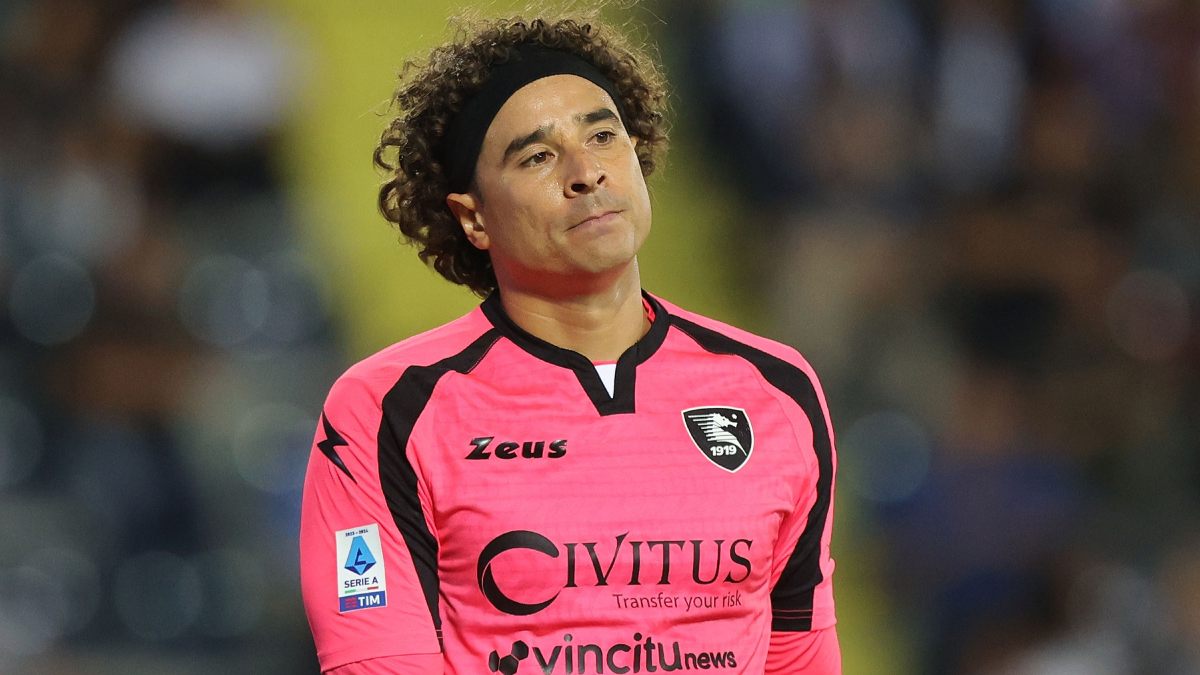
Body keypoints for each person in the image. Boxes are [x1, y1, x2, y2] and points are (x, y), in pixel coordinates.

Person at [299, 12, 841, 675]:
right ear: (473, 217)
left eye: (603, 137)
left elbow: (800, 655)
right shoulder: (387, 408)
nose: (586, 173)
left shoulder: (777, 389)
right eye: (538, 156)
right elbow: (379, 661)